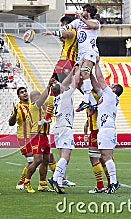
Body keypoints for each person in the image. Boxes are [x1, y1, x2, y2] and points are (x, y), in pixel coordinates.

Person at [9, 79, 55, 193]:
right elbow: (11, 123)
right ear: (19, 96)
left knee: (46, 159)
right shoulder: (19, 107)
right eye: (21, 92)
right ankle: (23, 182)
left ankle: (43, 183)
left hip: (39, 136)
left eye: (25, 91)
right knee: (33, 160)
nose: (24, 93)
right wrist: (14, 114)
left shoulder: (34, 105)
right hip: (25, 138)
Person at [53, 5, 100, 114]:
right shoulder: (77, 23)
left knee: (84, 73)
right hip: (80, 55)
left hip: (90, 52)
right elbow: (66, 28)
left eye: (84, 10)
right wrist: (54, 32)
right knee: (77, 81)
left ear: (88, 12)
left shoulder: (95, 22)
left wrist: (82, 19)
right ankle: (92, 102)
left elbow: (93, 26)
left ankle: (86, 100)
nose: (81, 12)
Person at [91, 56, 123, 194]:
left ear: (114, 90)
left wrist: (97, 63)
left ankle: (114, 182)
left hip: (107, 129)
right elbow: (96, 84)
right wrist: (88, 72)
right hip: (105, 129)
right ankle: (114, 182)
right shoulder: (107, 96)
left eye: (112, 85)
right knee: (104, 156)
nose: (109, 85)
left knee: (106, 156)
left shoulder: (110, 94)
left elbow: (100, 80)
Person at [48, 66, 80, 194]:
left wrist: (72, 71)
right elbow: (74, 83)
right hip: (65, 128)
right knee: (65, 156)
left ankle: (59, 182)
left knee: (63, 155)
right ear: (61, 90)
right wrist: (77, 71)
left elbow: (64, 84)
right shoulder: (65, 96)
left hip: (58, 128)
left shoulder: (56, 98)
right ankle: (55, 178)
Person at [83, 91, 111, 194]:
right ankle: (110, 183)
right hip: (99, 131)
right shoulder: (100, 98)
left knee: (94, 159)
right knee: (103, 159)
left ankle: (100, 186)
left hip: (96, 131)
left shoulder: (94, 97)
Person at [43, 15, 78, 82]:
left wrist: (53, 33)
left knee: (56, 82)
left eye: (63, 25)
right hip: (66, 60)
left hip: (67, 60)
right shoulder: (76, 32)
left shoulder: (72, 31)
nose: (62, 27)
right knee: (58, 82)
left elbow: (68, 34)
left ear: (67, 23)